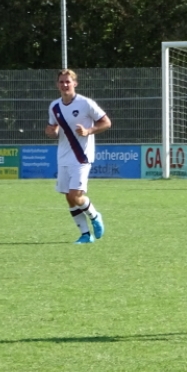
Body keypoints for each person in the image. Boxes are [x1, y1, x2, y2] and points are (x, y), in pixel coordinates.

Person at [45, 69, 111, 244]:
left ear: (75, 83)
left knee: (75, 194)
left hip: (82, 156)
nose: (65, 85)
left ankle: (95, 215)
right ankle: (85, 235)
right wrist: (51, 131)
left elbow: (106, 122)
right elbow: (53, 127)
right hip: (63, 156)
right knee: (68, 197)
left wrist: (88, 131)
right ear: (57, 84)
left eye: (68, 82)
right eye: (61, 82)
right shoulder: (54, 106)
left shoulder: (85, 103)